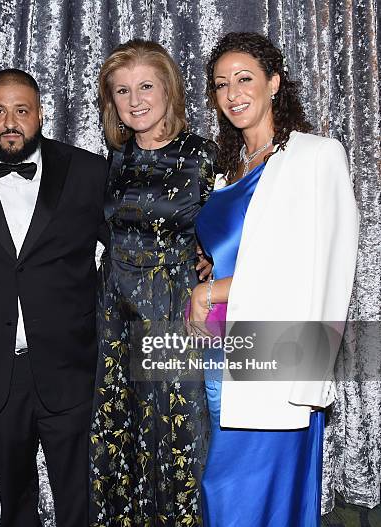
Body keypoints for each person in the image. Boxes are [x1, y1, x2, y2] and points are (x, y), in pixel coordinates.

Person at [191, 32, 359, 526]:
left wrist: (217, 289)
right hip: (217, 349)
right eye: (221, 84)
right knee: (223, 488)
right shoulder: (228, 170)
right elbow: (249, 243)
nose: (233, 93)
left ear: (274, 83)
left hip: (277, 353)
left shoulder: (315, 155)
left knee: (240, 491)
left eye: (245, 79)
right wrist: (213, 266)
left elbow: (323, 261)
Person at [0, 69, 107, 526]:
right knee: (15, 502)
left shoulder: (88, 171)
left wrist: (202, 258)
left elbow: (131, 245)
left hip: (70, 367)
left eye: (21, 111)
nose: (10, 122)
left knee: (79, 500)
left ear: (40, 115)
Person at [89, 39, 218, 525]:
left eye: (146, 86)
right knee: (120, 433)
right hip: (116, 308)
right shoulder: (114, 158)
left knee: (176, 436)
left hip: (172, 306)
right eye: (122, 90)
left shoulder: (203, 156)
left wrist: (214, 265)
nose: (135, 99)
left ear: (169, 89)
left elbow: (233, 228)